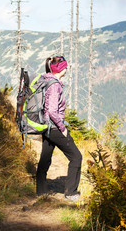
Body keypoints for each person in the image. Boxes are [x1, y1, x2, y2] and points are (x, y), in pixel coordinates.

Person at [36, 56, 82, 202]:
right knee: (76, 157)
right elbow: (51, 110)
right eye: (65, 66)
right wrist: (62, 128)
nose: (67, 68)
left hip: (46, 126)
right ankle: (71, 193)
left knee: (45, 158)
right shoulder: (54, 85)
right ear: (60, 68)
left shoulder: (46, 79)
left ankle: (41, 191)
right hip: (54, 127)